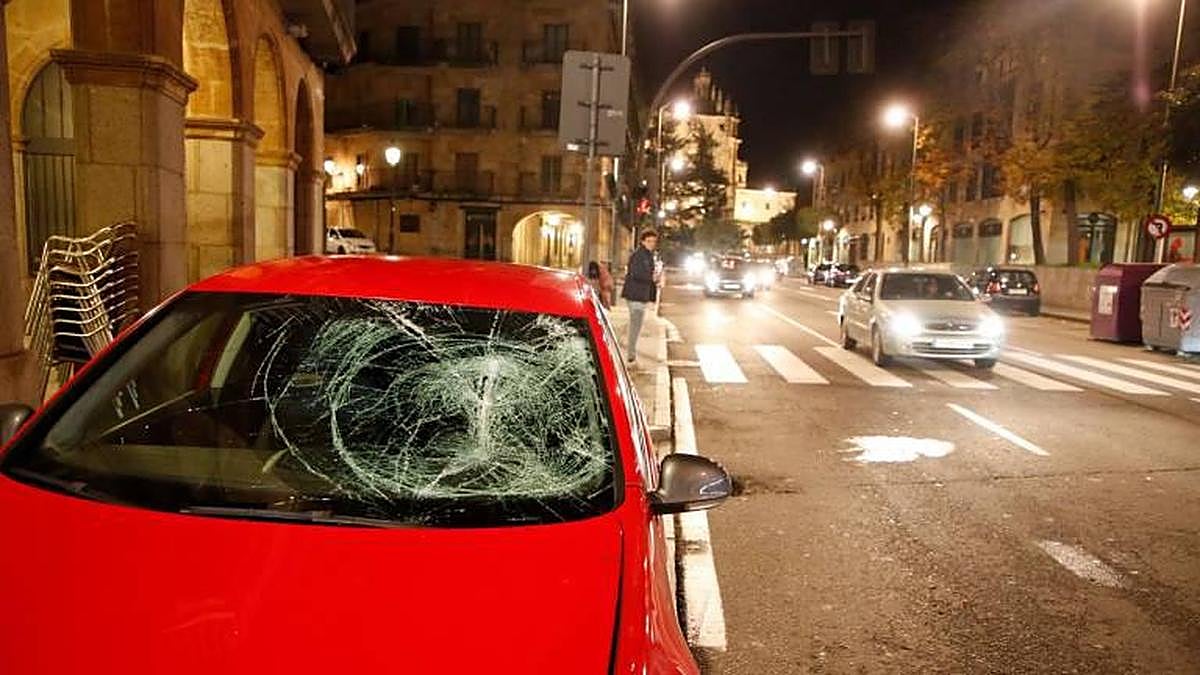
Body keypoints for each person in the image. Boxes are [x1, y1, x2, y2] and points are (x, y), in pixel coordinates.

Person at [621, 230, 659, 364]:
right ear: (642, 241)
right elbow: (636, 273)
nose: (652, 244)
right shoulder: (639, 255)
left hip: (640, 294)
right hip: (635, 294)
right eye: (649, 241)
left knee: (636, 324)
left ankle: (631, 352)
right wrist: (652, 277)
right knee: (635, 324)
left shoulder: (647, 255)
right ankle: (631, 355)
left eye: (654, 241)